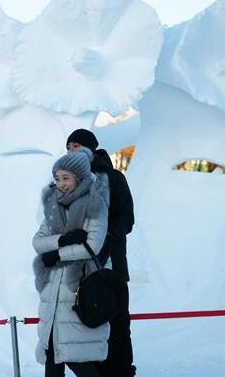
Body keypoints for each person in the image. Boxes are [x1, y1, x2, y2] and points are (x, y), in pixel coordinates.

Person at [33, 149, 110, 377]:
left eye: (66, 178)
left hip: (79, 288)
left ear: (79, 177)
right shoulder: (53, 206)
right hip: (53, 294)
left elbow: (91, 246)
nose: (61, 184)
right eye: (57, 178)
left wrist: (57, 255)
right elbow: (38, 242)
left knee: (78, 358)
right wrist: (63, 239)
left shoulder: (94, 204)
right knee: (52, 356)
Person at [66, 128, 136, 377]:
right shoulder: (66, 181)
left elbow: (127, 218)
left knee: (117, 326)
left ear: (91, 149)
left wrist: (104, 239)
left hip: (111, 267)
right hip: (80, 269)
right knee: (85, 325)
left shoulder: (114, 178)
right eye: (69, 146)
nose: (72, 150)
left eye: (77, 145)